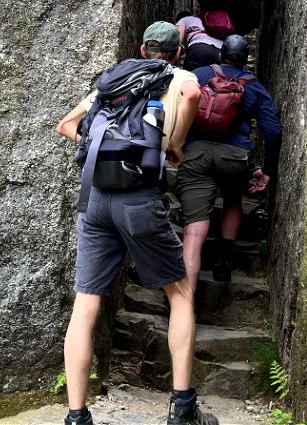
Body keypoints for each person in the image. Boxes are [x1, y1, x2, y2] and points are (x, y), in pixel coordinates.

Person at [55, 21, 219, 425]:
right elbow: (194, 91)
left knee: (86, 301)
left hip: (94, 199)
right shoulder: (178, 77)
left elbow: (65, 125)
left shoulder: (115, 82)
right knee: (179, 294)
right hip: (139, 200)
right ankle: (182, 409)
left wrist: (105, 150)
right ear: (178, 52)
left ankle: (76, 415)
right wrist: (173, 144)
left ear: (142, 50)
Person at [176, 34, 283, 286]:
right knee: (234, 199)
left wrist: (174, 146)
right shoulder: (254, 85)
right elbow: (273, 130)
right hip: (235, 156)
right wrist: (267, 170)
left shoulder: (200, 75)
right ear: (246, 61)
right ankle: (223, 261)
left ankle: (185, 292)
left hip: (195, 153)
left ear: (221, 55)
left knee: (194, 226)